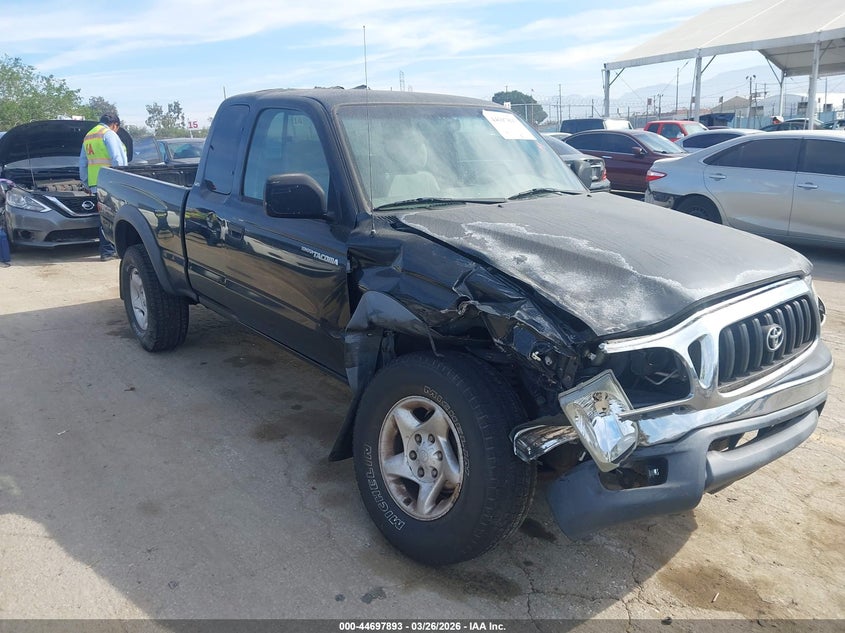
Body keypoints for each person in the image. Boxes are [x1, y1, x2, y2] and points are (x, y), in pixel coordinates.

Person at [79, 114, 127, 260]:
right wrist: (124, 179)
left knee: (104, 217)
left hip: (96, 184)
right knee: (118, 216)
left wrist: (86, 182)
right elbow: (118, 158)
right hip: (111, 183)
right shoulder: (109, 134)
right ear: (114, 124)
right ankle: (114, 250)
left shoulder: (88, 136)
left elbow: (82, 162)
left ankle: (106, 251)